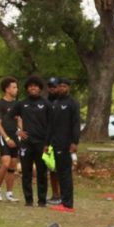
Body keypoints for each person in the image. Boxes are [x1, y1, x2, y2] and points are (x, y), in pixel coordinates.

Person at [11, 75, 51, 207]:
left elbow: (52, 124)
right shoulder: (21, 104)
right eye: (30, 86)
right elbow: (7, 119)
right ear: (27, 88)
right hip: (26, 144)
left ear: (40, 88)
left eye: (36, 85)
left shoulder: (46, 104)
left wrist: (48, 143)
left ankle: (42, 201)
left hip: (42, 144)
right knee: (26, 172)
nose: (33, 87)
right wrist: (18, 132)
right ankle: (28, 200)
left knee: (42, 173)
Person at [48, 78, 80, 213]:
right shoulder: (55, 103)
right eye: (59, 86)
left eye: (64, 86)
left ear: (68, 88)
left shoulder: (72, 103)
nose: (61, 88)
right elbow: (51, 125)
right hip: (56, 143)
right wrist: (48, 142)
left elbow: (75, 124)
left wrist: (74, 142)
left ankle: (68, 204)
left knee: (66, 174)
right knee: (60, 173)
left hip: (66, 143)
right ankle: (63, 200)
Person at [0, 76, 19, 203]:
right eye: (14, 87)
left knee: (13, 166)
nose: (16, 89)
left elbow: (19, 120)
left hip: (15, 137)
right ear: (7, 89)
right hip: (4, 137)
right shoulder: (0, 104)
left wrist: (22, 132)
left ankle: (9, 193)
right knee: (6, 163)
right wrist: (7, 138)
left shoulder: (17, 104)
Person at [45, 77, 62, 205]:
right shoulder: (45, 102)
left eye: (54, 86)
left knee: (60, 168)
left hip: (60, 139)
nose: (52, 89)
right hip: (47, 139)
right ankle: (55, 194)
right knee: (51, 168)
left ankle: (62, 194)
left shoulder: (64, 102)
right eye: (50, 86)